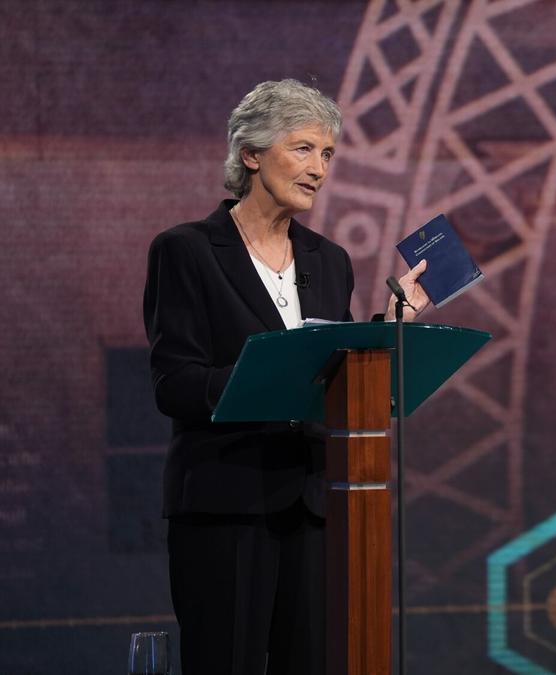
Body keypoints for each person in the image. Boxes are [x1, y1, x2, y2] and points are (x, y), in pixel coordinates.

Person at [143, 79, 429, 674]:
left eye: (327, 154)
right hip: (226, 504)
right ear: (251, 153)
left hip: (315, 505)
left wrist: (388, 326)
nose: (319, 169)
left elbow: (336, 371)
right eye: (302, 149)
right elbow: (175, 384)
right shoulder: (186, 251)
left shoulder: (331, 260)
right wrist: (272, 377)